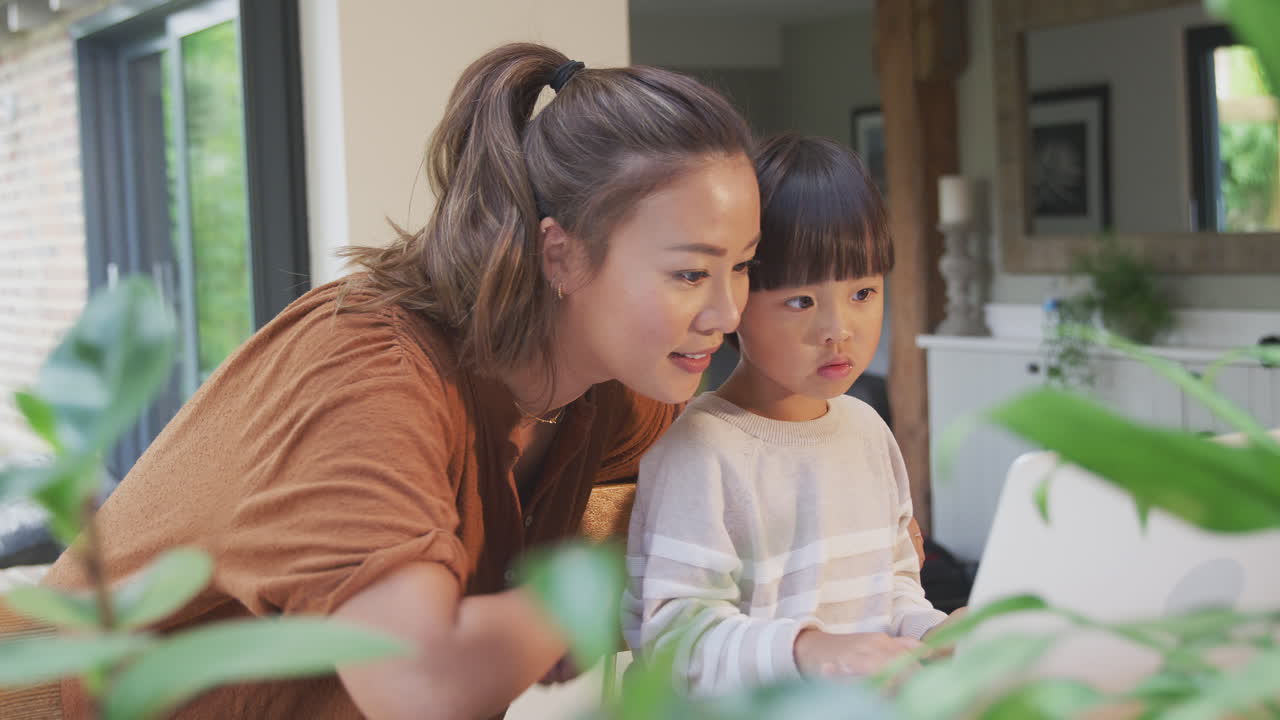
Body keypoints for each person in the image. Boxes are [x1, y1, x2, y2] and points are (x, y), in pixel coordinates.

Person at [42, 43, 761, 720]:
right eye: (690, 273)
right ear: (560, 255)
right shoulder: (365, 372)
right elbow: (421, 681)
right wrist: (612, 586)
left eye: (743, 265)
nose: (727, 313)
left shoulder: (618, 389)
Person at [623, 134, 951, 697]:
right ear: (738, 301)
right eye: (801, 301)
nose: (838, 329)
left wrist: (937, 633)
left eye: (864, 292)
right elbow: (674, 640)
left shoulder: (868, 431)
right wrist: (808, 651)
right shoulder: (700, 452)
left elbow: (893, 589)